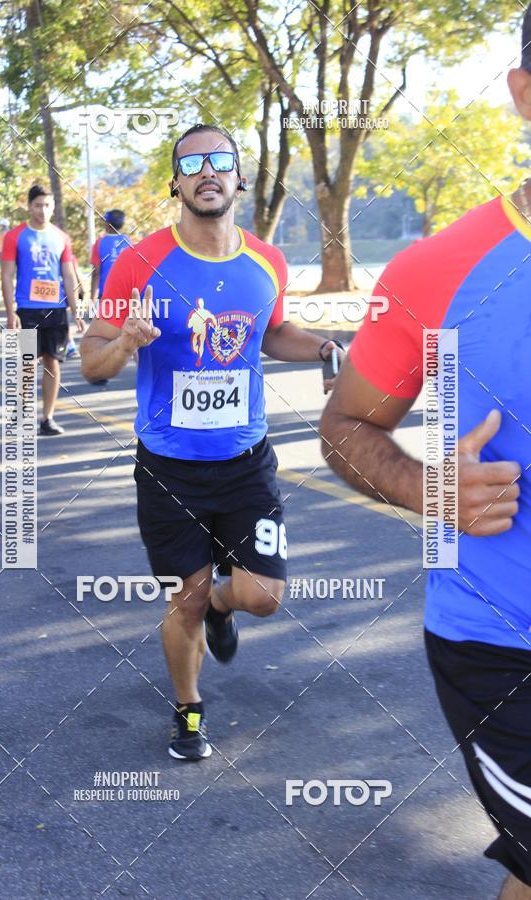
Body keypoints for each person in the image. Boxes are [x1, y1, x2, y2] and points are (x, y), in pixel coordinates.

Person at [320, 9, 531, 898]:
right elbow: (344, 427)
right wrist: (427, 486)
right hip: (503, 640)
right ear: (526, 94)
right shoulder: (440, 268)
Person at [81, 123, 345, 761]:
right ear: (175, 182)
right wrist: (126, 343)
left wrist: (329, 347)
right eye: (191, 163)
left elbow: (272, 334)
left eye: (219, 161)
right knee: (186, 600)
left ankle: (227, 607)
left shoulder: (267, 261)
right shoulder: (138, 261)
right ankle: (188, 710)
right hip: (169, 469)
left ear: (238, 177)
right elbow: (92, 362)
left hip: (247, 463)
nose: (206, 171)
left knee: (261, 596)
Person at [0, 185, 86, 436]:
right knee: (27, 365)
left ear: (53, 207)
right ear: (29, 206)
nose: (43, 210)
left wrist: (76, 311)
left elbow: (68, 276)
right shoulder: (15, 236)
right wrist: (9, 311)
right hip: (28, 309)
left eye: (47, 205)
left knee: (53, 364)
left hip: (56, 310)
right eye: (38, 205)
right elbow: (6, 275)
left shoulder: (61, 237)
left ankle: (47, 419)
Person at [90, 209, 133, 303]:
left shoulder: (99, 243)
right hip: (126, 294)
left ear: (107, 224)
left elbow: (96, 273)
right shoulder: (129, 242)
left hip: (106, 294)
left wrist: (92, 299)